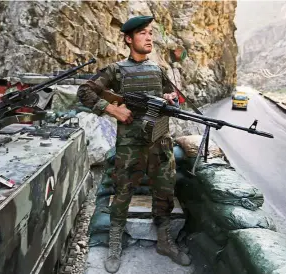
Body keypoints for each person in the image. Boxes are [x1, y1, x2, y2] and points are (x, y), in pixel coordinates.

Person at [77, 15, 191, 273]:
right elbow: (85, 92)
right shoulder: (116, 70)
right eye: (142, 33)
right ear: (129, 39)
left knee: (164, 192)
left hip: (159, 143)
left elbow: (172, 98)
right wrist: (112, 110)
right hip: (130, 146)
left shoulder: (159, 70)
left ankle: (164, 241)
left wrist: (170, 98)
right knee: (122, 193)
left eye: (151, 33)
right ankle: (115, 242)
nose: (149, 37)